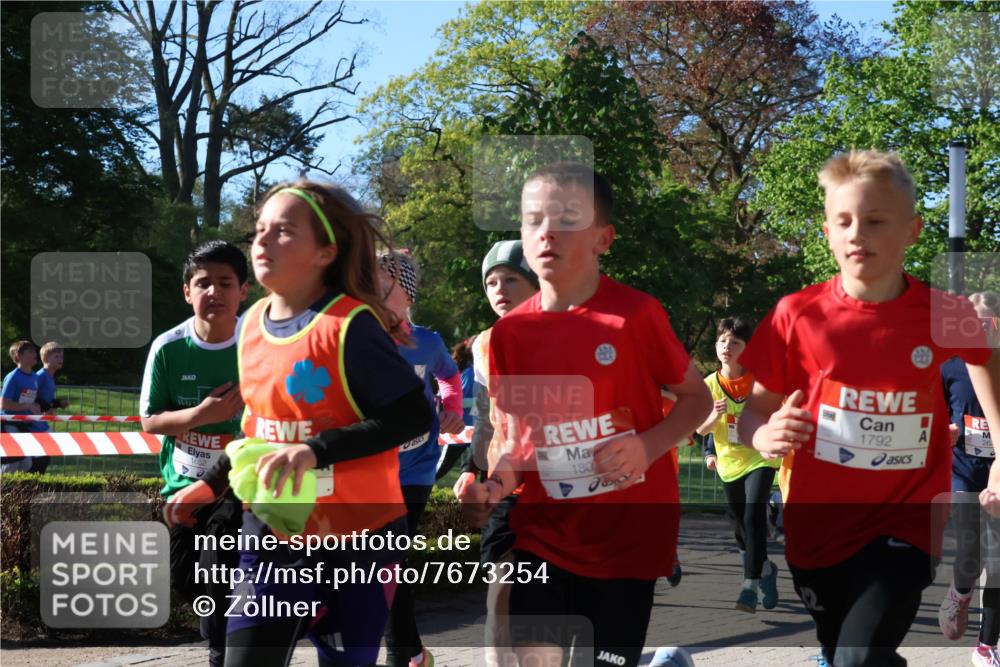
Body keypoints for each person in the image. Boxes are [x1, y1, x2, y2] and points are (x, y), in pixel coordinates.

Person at [737, 150, 1000, 667]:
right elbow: (754, 413)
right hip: (817, 529)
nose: (858, 233)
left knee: (856, 659)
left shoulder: (943, 314)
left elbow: (985, 359)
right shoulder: (796, 315)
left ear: (912, 231)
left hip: (905, 523)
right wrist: (764, 437)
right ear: (827, 232)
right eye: (844, 221)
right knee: (845, 654)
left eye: (876, 221)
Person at [459, 162, 712, 667]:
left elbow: (697, 400)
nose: (546, 233)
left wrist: (646, 446)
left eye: (565, 219)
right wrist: (493, 487)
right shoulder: (508, 337)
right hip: (543, 536)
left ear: (603, 238)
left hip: (628, 546)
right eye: (533, 221)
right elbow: (517, 442)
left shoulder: (635, 315)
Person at [193, 181, 431, 667]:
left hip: (359, 542)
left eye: (282, 231)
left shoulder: (351, 325)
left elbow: (413, 417)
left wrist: (316, 451)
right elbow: (258, 430)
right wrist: (212, 481)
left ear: (326, 251)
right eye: (260, 229)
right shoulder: (252, 322)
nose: (261, 241)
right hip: (272, 535)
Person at [140, 240, 250, 667]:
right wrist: (203, 415)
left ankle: (223, 652)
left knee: (219, 566)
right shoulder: (168, 347)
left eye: (225, 283)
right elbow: (150, 420)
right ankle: (221, 625)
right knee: (187, 577)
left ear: (244, 290)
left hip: (239, 485)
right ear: (187, 291)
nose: (214, 292)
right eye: (203, 283)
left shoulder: (256, 345)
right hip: (182, 484)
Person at [452, 239, 539, 666]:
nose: (499, 288)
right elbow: (485, 414)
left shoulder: (563, 333)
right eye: (491, 282)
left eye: (511, 279)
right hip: (503, 483)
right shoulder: (483, 343)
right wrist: (472, 466)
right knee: (499, 584)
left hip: (557, 483)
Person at [378, 248, 464, 667]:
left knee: (388, 559)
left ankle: (402, 654)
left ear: (407, 295)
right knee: (378, 563)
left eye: (385, 284)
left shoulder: (427, 342)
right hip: (369, 473)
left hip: (415, 469)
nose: (374, 293)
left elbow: (449, 375)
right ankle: (411, 651)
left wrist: (452, 407)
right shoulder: (359, 343)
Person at [696, 316, 780, 612]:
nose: (727, 347)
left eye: (735, 342)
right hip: (729, 463)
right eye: (722, 341)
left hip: (759, 456)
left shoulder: (761, 380)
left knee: (753, 516)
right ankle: (767, 569)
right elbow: (702, 430)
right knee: (740, 525)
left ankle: (750, 585)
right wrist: (713, 417)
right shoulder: (709, 385)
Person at [938, 291, 1000, 667]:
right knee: (970, 553)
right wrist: (947, 430)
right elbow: (938, 411)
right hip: (963, 471)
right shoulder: (949, 367)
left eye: (986, 318)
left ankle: (986, 645)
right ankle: (960, 592)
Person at [434, 339, 475, 481]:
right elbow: (457, 400)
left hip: (473, 432)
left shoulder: (474, 372)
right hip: (456, 429)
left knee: (475, 470)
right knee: (437, 470)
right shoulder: (470, 373)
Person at [1, 340, 44, 473]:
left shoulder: (34, 377)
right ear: (19, 355)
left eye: (34, 351)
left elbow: (31, 400)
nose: (35, 353)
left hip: (25, 425)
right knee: (12, 463)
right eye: (30, 351)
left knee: (26, 463)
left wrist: (36, 407)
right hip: (10, 424)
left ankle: (18, 493)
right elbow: (4, 403)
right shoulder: (13, 377)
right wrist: (28, 406)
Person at [30, 341, 67, 474]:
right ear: (45, 358)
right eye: (56, 357)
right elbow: (31, 397)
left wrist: (57, 403)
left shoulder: (50, 377)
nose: (60, 360)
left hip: (42, 423)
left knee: (45, 456)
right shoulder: (40, 376)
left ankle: (35, 485)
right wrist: (47, 407)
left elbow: (45, 399)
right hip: (33, 423)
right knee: (40, 458)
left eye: (62, 357)